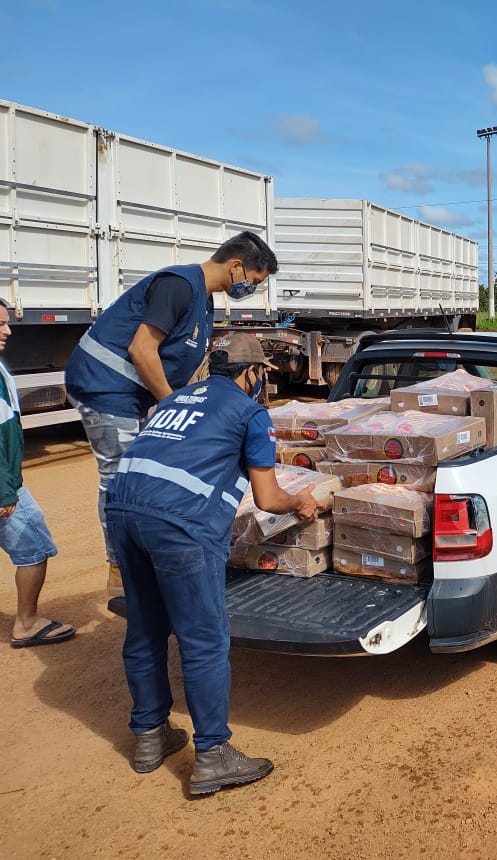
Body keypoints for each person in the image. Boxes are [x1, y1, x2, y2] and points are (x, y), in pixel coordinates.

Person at [105, 333, 317, 795]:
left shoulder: (177, 399)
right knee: (203, 639)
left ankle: (149, 735)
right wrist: (300, 502)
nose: (263, 382)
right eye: (263, 374)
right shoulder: (250, 412)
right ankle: (213, 755)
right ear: (253, 373)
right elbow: (266, 496)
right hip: (178, 525)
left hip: (122, 510)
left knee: (145, 628)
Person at [64, 231, 278, 598]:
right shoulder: (178, 285)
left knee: (155, 464)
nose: (251, 289)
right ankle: (121, 564)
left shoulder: (204, 300)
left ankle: (153, 546)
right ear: (237, 266)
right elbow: (142, 349)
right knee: (121, 471)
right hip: (105, 386)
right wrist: (171, 402)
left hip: (131, 394)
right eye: (254, 281)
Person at [0, 300, 76, 648]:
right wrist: (4, 490)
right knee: (34, 547)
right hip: (4, 485)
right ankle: (27, 624)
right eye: (0, 324)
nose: (8, 330)